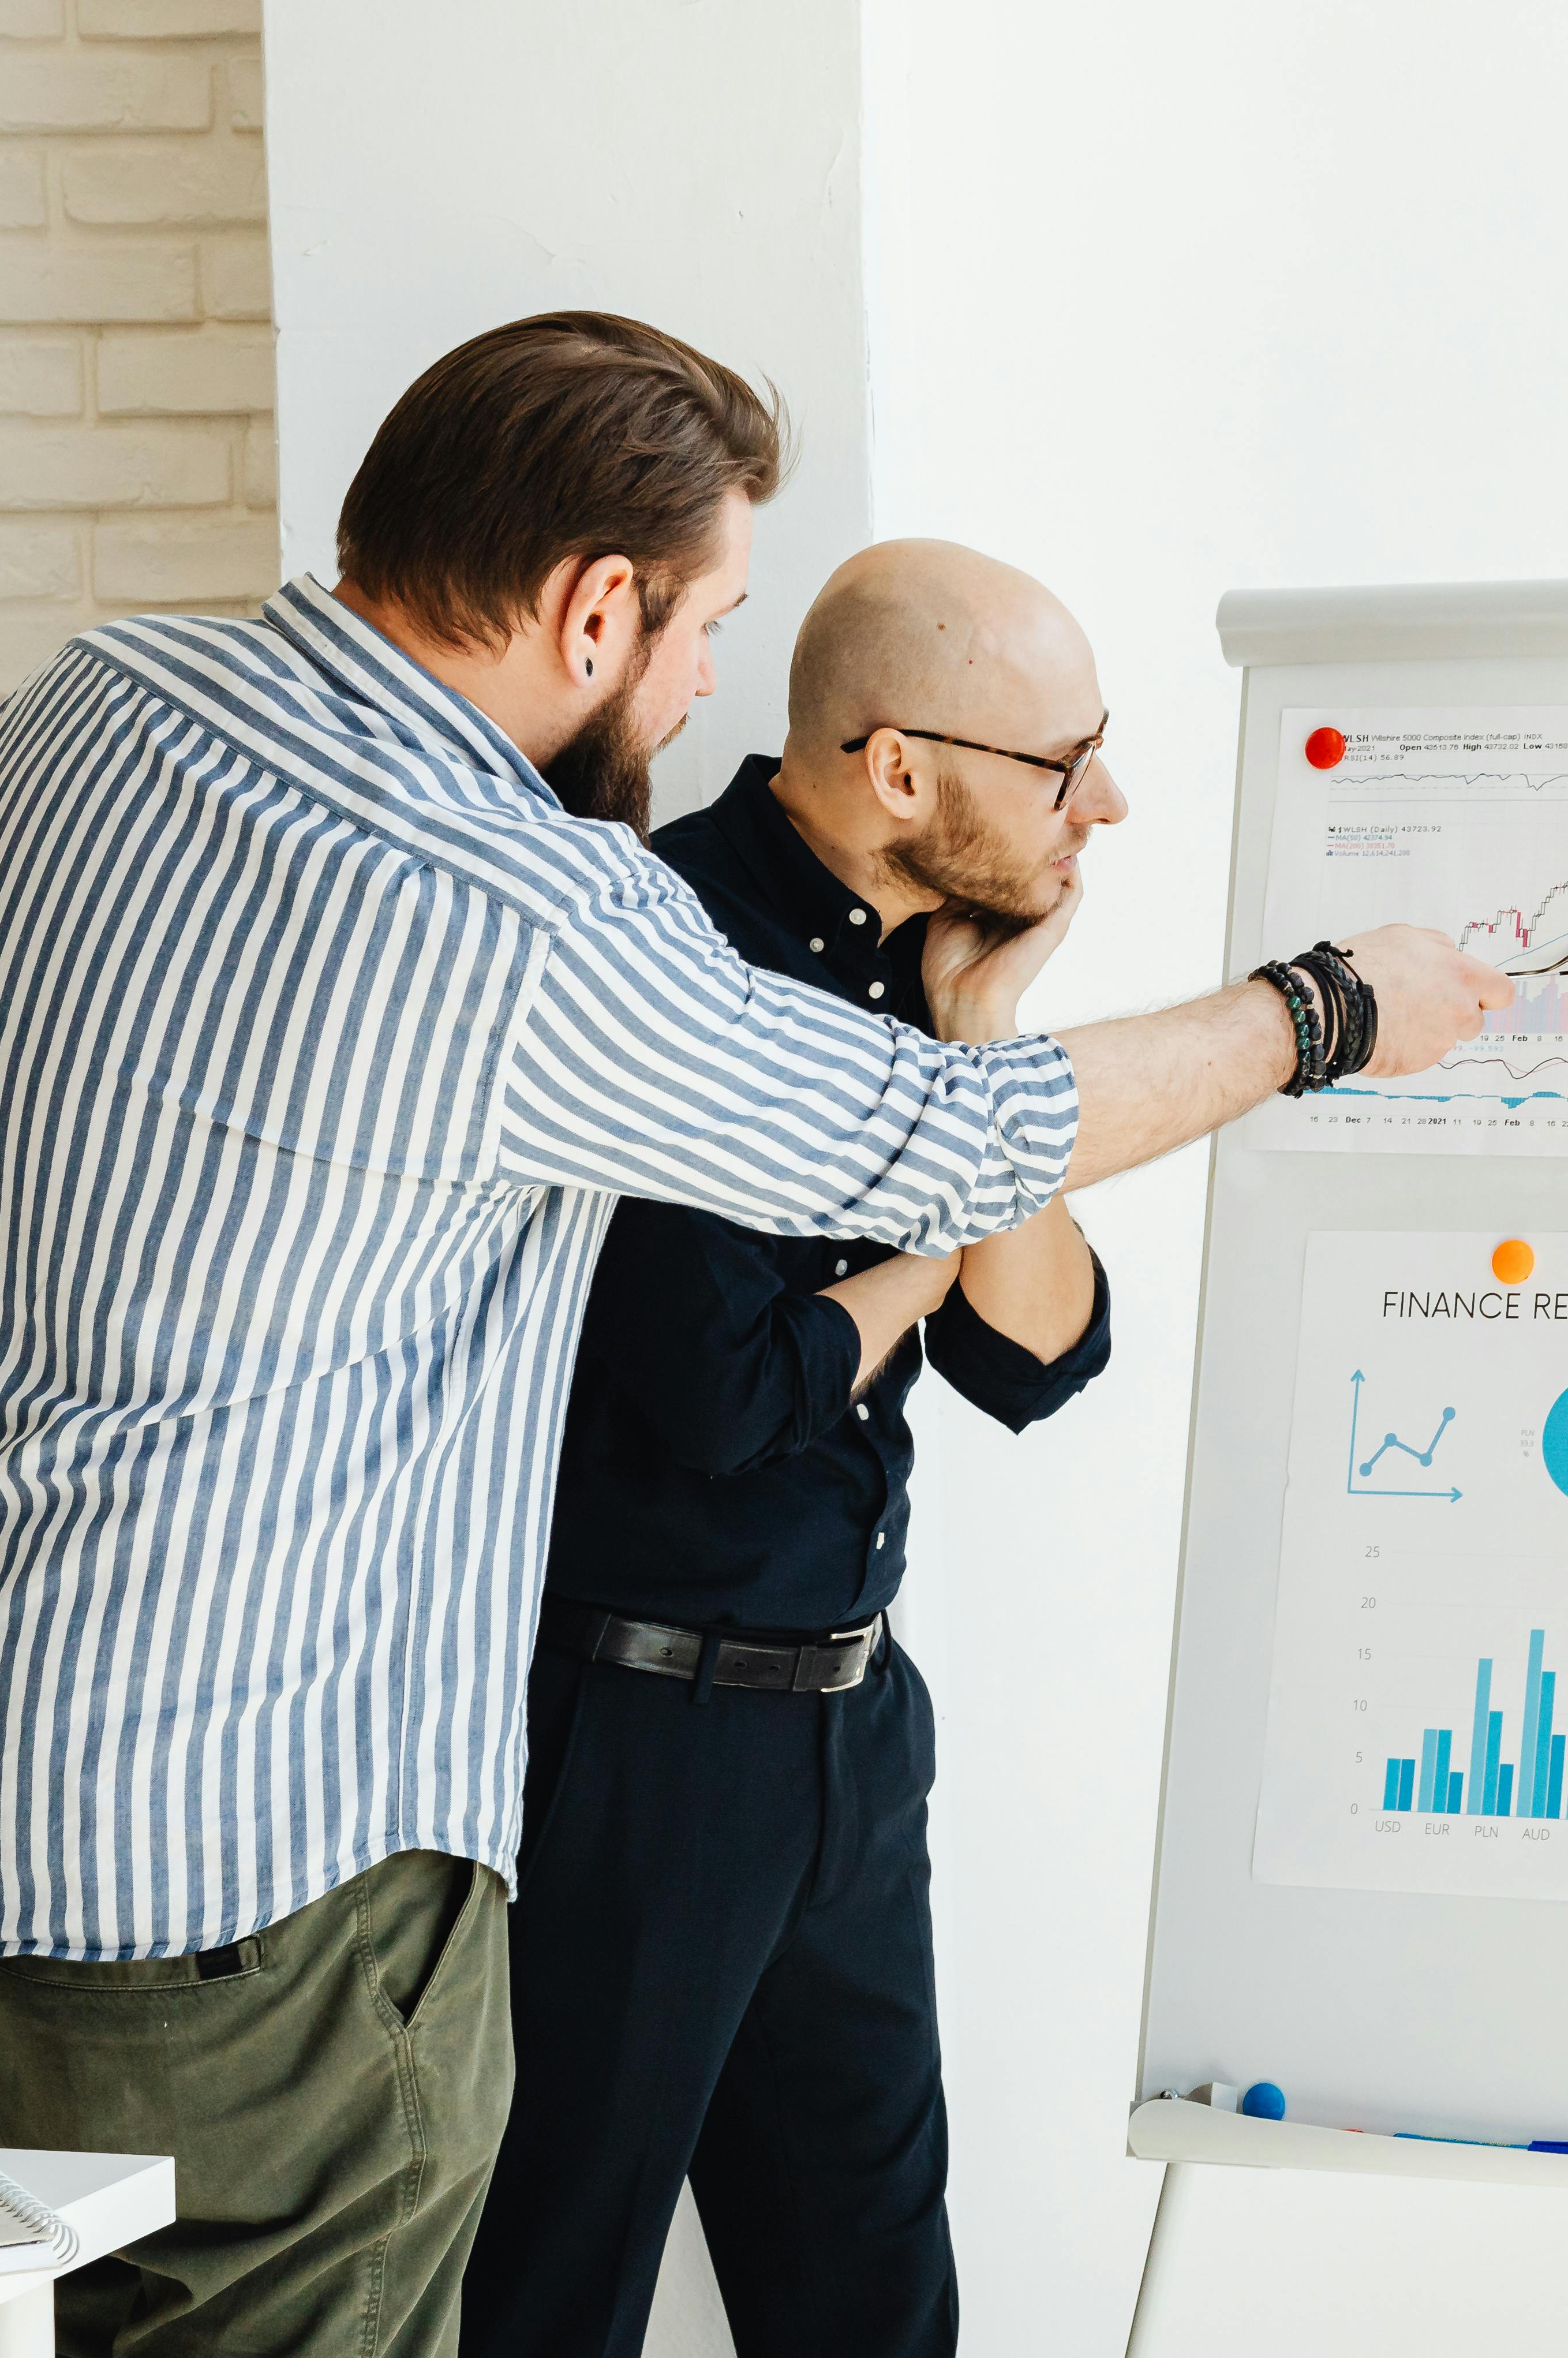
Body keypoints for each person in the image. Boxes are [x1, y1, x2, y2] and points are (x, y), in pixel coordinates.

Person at [0, 311, 1508, 2358]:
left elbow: (1021, 1337)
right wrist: (1324, 1011)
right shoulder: (526, 911)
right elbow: (932, 1163)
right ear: (595, 606)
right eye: (708, 623)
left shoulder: (92, 708)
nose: (718, 676)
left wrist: (943, 1127)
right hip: (262, 1861)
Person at [460, 541, 1121, 2358]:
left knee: (877, 2313)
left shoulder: (938, 971)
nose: (1105, 804)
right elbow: (733, 1395)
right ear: (899, 769)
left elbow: (1041, 1353)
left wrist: (984, 1042)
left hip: (852, 1732)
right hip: (634, 1742)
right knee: (549, 2303)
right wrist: (952, 1209)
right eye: (1066, 764)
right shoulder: (661, 947)